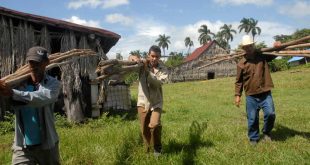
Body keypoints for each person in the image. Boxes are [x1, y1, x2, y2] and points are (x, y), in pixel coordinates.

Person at [0, 46, 61, 164]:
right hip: (22, 146)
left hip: (47, 144)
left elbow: (42, 97)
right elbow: (8, 98)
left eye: (38, 62)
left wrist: (13, 93)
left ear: (46, 63)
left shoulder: (53, 84)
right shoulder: (17, 84)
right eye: (31, 62)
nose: (34, 66)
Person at [234, 35, 281, 145]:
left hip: (265, 93)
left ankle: (266, 133)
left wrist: (278, 47)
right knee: (252, 118)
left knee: (270, 114)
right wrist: (237, 95)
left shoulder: (262, 56)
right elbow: (238, 81)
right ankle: (253, 138)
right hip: (251, 95)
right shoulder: (241, 64)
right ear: (243, 48)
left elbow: (274, 54)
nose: (249, 48)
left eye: (250, 45)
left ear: (253, 45)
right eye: (246, 46)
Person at [130, 45, 168, 156]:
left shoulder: (163, 69)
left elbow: (157, 83)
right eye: (152, 56)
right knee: (144, 129)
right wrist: (133, 58)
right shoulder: (141, 64)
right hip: (142, 102)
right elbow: (129, 59)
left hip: (156, 103)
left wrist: (147, 70)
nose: (154, 59)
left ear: (160, 57)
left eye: (157, 56)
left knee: (155, 125)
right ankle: (147, 150)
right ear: (148, 55)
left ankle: (157, 149)